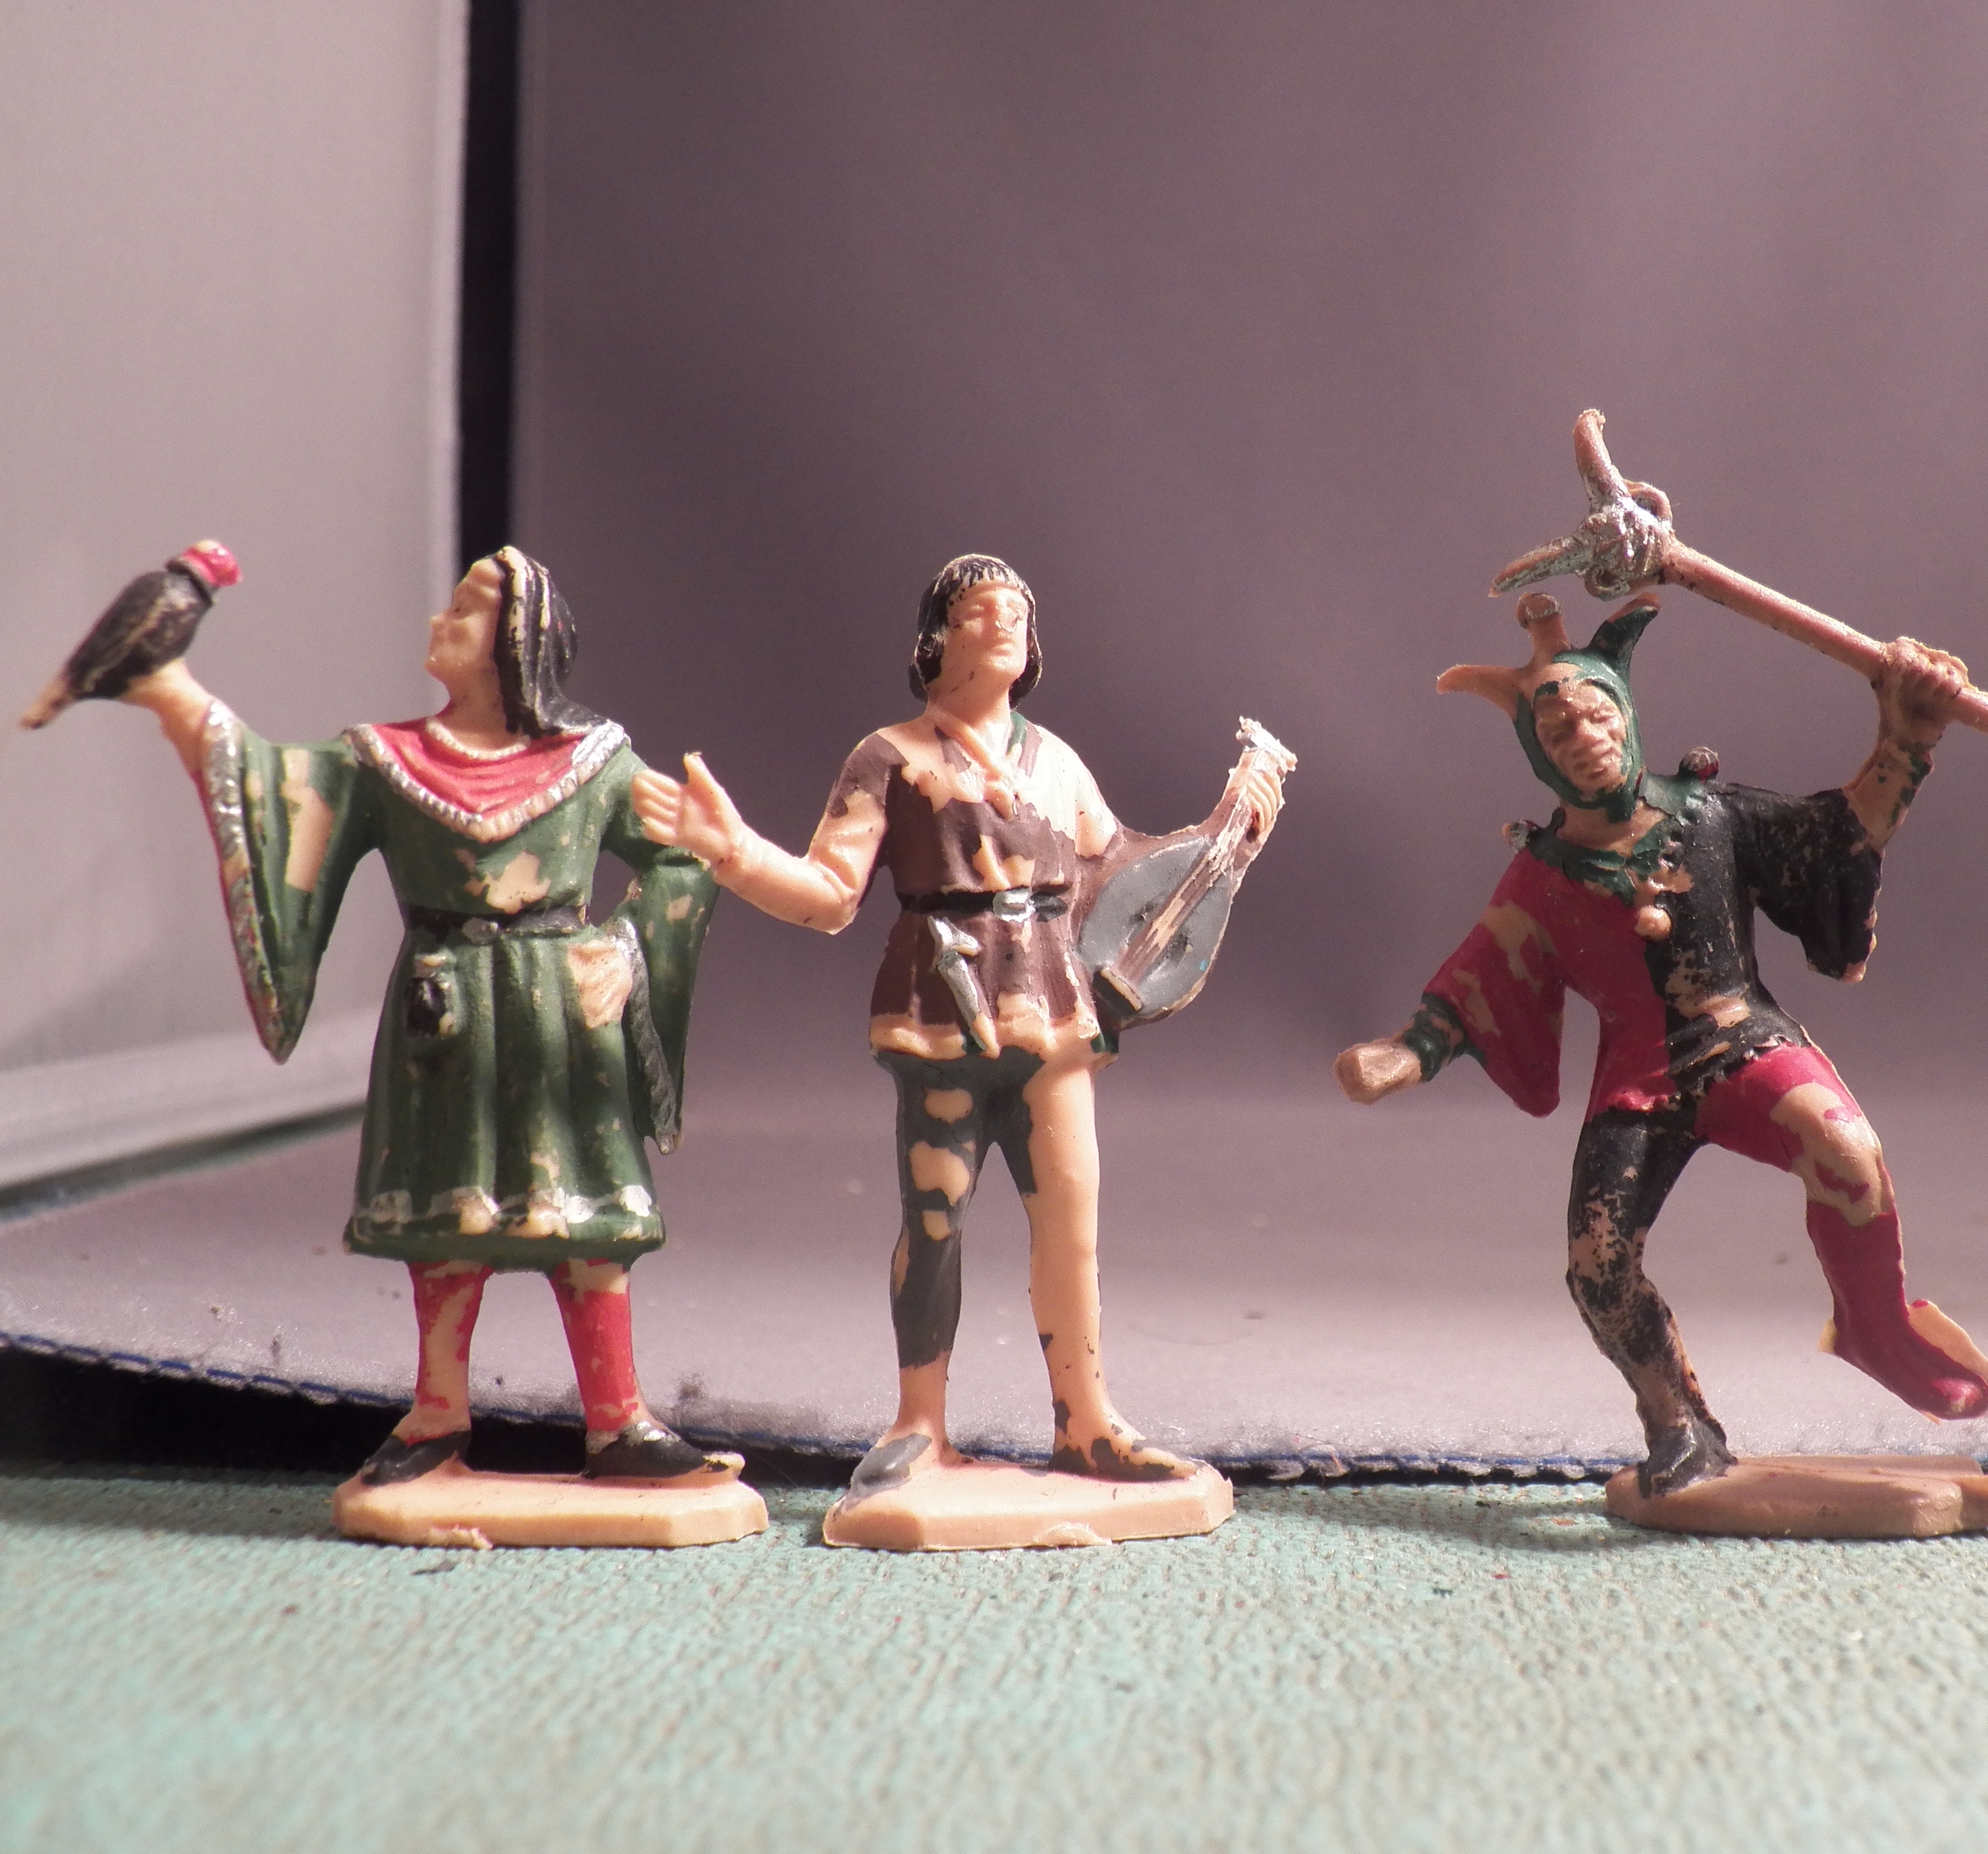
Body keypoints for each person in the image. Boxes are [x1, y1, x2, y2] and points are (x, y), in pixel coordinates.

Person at [632, 555, 1282, 1514]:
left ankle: (1087, 1420)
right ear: (937, 636)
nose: (1007, 624)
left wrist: (1228, 833)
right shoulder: (889, 757)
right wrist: (733, 853)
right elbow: (829, 895)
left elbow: (1120, 875)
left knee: (1070, 1219)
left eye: (1019, 611)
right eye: (984, 610)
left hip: (1053, 1010)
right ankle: (918, 1424)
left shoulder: (1054, 759)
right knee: (934, 1218)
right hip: (940, 1007)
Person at [1334, 590, 1988, 1499]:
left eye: (1597, 712)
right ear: (1535, 752)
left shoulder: (1712, 815)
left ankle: (1875, 1328)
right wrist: (1409, 1052)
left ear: (1628, 715)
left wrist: (1906, 741)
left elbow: (1840, 834)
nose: (1584, 735)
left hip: (1743, 1040)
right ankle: (1676, 1422)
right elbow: (1477, 976)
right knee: (1597, 1267)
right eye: (1557, 727)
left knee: (1848, 1150)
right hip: (1637, 1081)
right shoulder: (1541, 878)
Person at [119, 548, 728, 1485]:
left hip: (563, 1021)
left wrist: (627, 948)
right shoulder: (384, 760)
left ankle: (619, 1422)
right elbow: (274, 790)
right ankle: (437, 1416)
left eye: (465, 610)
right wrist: (171, 695)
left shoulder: (596, 762)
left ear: (515, 643)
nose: (439, 622)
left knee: (590, 1223)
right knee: (447, 1219)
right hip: (442, 1017)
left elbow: (688, 850)